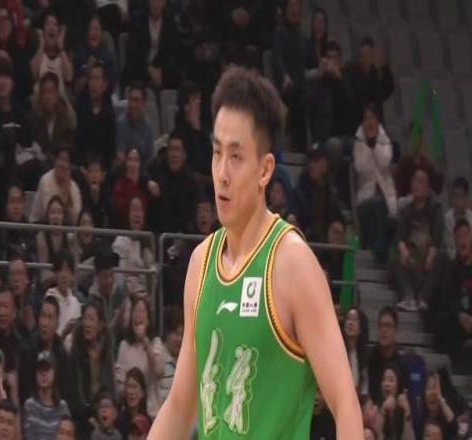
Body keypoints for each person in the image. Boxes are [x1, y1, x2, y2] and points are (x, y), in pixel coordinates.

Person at [149, 67, 362, 438]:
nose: (222, 173)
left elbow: (345, 405)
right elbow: (181, 405)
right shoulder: (201, 263)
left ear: (265, 170)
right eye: (217, 153)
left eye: (236, 157)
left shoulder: (292, 263)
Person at [395, 168, 443, 312]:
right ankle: (408, 297)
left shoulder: (435, 208)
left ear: (428, 189)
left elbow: (437, 236)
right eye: (414, 180)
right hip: (413, 253)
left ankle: (424, 298)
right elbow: (400, 237)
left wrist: (430, 256)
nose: (416, 184)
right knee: (395, 257)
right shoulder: (406, 209)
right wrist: (403, 251)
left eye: (421, 182)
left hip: (429, 253)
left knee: (442, 258)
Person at [354, 103, 396, 263]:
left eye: (372, 118)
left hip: (386, 194)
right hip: (366, 195)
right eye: (366, 118)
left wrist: (374, 144)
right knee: (377, 204)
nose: (369, 122)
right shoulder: (358, 142)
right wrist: (367, 144)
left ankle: (381, 250)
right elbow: (361, 168)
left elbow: (384, 162)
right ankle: (379, 250)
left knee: (382, 205)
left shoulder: (385, 141)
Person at [67, 300, 115, 438]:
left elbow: (109, 390)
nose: (87, 324)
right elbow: (74, 395)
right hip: (81, 420)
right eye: (85, 319)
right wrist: (91, 417)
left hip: (103, 419)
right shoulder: (75, 354)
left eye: (91, 319)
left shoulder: (106, 354)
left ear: (100, 325)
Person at [116, 298, 164, 416]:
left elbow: (159, 371)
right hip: (129, 411)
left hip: (151, 410)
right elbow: (119, 385)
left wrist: (145, 342)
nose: (138, 315)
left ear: (148, 320)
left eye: (142, 311)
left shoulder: (155, 343)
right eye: (135, 311)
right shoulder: (124, 345)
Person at [19, 296, 70, 404]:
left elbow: (65, 391)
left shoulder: (61, 353)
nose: (45, 323)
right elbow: (24, 390)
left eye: (50, 318)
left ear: (57, 323)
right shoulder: (27, 349)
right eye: (43, 316)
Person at [436, 219, 472, 370]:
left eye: (465, 235)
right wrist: (460, 315)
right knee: (445, 319)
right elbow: (449, 297)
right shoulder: (452, 269)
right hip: (460, 322)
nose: (462, 240)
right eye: (458, 237)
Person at [121, 0, 180, 90]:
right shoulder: (138, 20)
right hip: (141, 66)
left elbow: (174, 52)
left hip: (162, 68)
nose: (156, 3)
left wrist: (160, 71)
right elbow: (133, 51)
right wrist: (149, 69)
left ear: (164, 3)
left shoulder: (171, 22)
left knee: (176, 73)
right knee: (132, 71)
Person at [272, 0, 308, 150]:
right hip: (284, 89)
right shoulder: (280, 32)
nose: (294, 10)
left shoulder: (304, 38)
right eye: (291, 6)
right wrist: (285, 75)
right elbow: (277, 57)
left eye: (296, 6)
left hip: (301, 91)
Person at [150, 132, 198, 233]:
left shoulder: (190, 181)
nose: (174, 154)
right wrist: (148, 182)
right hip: (158, 233)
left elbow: (191, 214)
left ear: (184, 154)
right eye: (171, 149)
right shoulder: (156, 171)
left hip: (182, 235)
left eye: (177, 149)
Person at [294, 147, 342, 242]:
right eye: (310, 162)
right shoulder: (300, 190)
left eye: (316, 161)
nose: (312, 165)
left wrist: (338, 223)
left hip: (325, 238)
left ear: (325, 164)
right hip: (305, 238)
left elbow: (338, 214)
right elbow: (295, 213)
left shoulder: (330, 190)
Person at [346, 35, 395, 129]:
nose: (364, 59)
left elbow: (387, 89)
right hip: (358, 123)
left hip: (376, 123)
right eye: (362, 56)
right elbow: (357, 93)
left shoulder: (377, 73)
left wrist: (385, 68)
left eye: (367, 55)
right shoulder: (352, 73)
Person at [0, 62, 31, 147]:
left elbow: (27, 141)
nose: (2, 82)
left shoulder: (21, 112)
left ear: (13, 84)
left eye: (6, 77)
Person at [113, 197, 154, 298]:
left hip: (145, 297)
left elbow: (153, 281)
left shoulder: (149, 242)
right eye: (134, 211)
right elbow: (119, 277)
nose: (137, 215)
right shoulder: (120, 241)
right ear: (128, 215)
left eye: (140, 211)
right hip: (126, 296)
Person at [76, 62, 115, 168]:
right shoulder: (80, 110)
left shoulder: (109, 114)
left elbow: (110, 151)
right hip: (81, 166)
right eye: (91, 79)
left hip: (102, 168)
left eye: (97, 79)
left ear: (105, 85)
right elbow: (77, 145)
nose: (93, 83)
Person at [23, 350, 70, 440]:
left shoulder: (63, 407)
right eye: (40, 370)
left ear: (55, 373)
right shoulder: (29, 405)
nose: (43, 374)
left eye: (47, 369)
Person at [30, 146, 82, 225]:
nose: (62, 164)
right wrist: (65, 194)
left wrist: (69, 196)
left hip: (64, 228)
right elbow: (50, 214)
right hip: (41, 225)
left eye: (66, 160)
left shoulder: (74, 187)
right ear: (54, 161)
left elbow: (77, 220)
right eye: (60, 159)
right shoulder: (45, 180)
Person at [29, 72, 76, 159]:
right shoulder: (33, 118)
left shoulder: (66, 118)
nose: (48, 96)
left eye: (51, 91)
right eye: (44, 92)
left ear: (57, 94)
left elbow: (68, 147)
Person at [368, 307, 409, 404]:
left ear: (396, 331)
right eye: (381, 326)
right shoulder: (369, 360)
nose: (384, 330)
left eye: (388, 326)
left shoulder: (402, 365)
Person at [111, 148, 158, 229]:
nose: (133, 164)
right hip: (123, 229)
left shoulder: (146, 185)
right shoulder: (119, 185)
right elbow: (118, 212)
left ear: (140, 164)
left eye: (136, 160)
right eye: (130, 159)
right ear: (126, 163)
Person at [174, 81, 212, 181]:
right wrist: (195, 129)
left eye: (199, 98)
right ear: (185, 106)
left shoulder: (204, 130)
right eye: (195, 99)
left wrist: (197, 129)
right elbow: (196, 165)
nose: (199, 102)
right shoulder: (179, 134)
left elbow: (210, 160)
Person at [30, 11, 73, 95]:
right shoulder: (37, 53)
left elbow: (68, 77)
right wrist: (42, 44)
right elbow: (33, 74)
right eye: (48, 24)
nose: (51, 28)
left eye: (55, 25)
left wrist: (60, 47)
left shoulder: (64, 55)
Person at [73, 15, 117, 96]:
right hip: (84, 99)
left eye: (96, 29)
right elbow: (76, 89)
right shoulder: (80, 54)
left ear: (101, 32)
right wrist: (88, 71)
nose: (93, 33)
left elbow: (111, 87)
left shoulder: (107, 55)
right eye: (90, 29)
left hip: (104, 99)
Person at [35, 196, 71, 288]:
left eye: (59, 213)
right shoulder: (41, 236)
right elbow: (43, 269)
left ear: (63, 216)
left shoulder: (69, 237)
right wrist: (59, 277)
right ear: (47, 216)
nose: (56, 216)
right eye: (53, 212)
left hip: (66, 280)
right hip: (47, 280)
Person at [115, 82, 154, 167]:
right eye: (130, 100)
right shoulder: (121, 124)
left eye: (136, 100)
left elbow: (150, 160)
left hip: (142, 171)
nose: (132, 105)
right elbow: (120, 159)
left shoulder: (148, 128)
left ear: (143, 103)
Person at [45, 251, 82, 337]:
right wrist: (64, 334)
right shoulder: (49, 299)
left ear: (72, 275)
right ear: (55, 274)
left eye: (67, 270)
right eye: (60, 270)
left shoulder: (75, 303)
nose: (64, 275)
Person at [0, 182, 35, 260]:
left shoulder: (30, 229)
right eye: (12, 201)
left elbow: (34, 259)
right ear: (6, 204)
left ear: (24, 203)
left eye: (19, 201)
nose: (16, 206)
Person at [377, 364, 414, 440]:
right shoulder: (377, 409)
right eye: (384, 380)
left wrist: (407, 410)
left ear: (398, 385)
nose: (386, 384)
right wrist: (383, 410)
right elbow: (376, 434)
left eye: (391, 380)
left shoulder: (404, 408)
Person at [89, 244, 123, 327]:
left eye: (111, 275)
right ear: (97, 276)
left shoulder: (120, 293)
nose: (109, 281)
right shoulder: (92, 301)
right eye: (105, 277)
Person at [157, 305, 183, 406]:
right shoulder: (158, 358)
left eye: (182, 334)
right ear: (167, 333)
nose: (179, 339)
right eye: (176, 333)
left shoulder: (188, 361)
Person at [7, 257, 37, 337]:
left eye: (20, 273)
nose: (16, 279)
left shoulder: (36, 304)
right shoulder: (4, 304)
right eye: (12, 274)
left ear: (27, 279)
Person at [79, 153, 111, 228]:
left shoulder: (107, 197)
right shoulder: (81, 195)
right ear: (86, 176)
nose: (93, 175)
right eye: (90, 171)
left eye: (96, 171)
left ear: (102, 176)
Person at [422, 372, 457, 439]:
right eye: (428, 388)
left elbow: (454, 426)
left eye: (435, 387)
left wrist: (440, 398)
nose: (432, 392)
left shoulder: (446, 413)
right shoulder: (420, 414)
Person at [118, 368, 150, 439]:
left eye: (134, 387)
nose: (130, 392)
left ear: (142, 392)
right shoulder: (120, 421)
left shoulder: (148, 422)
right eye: (128, 386)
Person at [343, 307, 369, 395]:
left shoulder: (364, 356)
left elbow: (364, 390)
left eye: (354, 320)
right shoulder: (337, 352)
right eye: (348, 319)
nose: (350, 323)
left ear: (361, 328)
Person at [444, 177, 472, 259]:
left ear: (466, 197)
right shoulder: (448, 218)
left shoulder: (471, 218)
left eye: (460, 196)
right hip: (454, 261)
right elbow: (450, 248)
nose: (456, 201)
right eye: (455, 196)